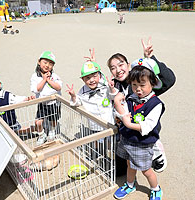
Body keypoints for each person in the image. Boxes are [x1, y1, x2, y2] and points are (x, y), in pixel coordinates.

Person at [85, 37, 176, 176]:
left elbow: (169, 80)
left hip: (144, 130)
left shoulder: (142, 82)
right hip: (125, 133)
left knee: (147, 165)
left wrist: (151, 58)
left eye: (121, 65)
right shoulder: (114, 84)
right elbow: (100, 81)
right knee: (119, 171)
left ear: (128, 65)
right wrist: (93, 67)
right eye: (113, 68)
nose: (118, 70)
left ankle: (155, 147)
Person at [113, 59, 165, 199]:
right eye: (134, 85)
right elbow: (122, 113)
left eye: (142, 85)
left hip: (142, 142)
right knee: (130, 164)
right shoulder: (131, 97)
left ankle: (156, 189)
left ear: (153, 83)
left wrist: (128, 124)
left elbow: (147, 126)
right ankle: (130, 185)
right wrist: (118, 105)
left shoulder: (156, 104)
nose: (138, 89)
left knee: (146, 170)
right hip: (127, 140)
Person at [66, 61, 118, 161]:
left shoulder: (105, 85)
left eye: (94, 76)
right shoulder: (82, 91)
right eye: (88, 78)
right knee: (96, 139)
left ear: (99, 75)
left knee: (109, 141)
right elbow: (77, 102)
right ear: (83, 79)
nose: (92, 80)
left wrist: (111, 88)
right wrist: (73, 95)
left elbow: (114, 97)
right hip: (94, 123)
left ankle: (111, 156)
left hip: (108, 121)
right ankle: (97, 151)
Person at [30, 51, 62, 145]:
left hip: (53, 103)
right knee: (38, 122)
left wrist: (49, 80)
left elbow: (58, 87)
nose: (47, 65)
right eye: (45, 62)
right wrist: (44, 80)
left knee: (53, 120)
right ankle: (42, 135)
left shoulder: (54, 76)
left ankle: (52, 131)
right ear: (39, 62)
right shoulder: (35, 76)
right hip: (42, 103)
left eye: (51, 64)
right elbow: (37, 89)